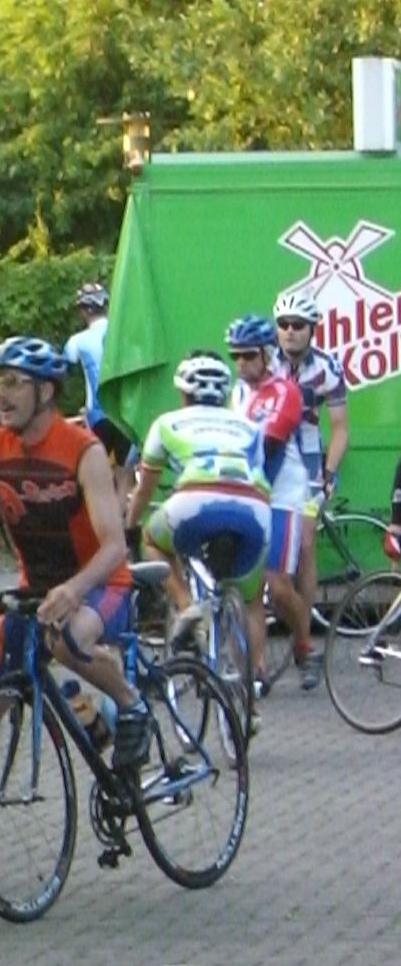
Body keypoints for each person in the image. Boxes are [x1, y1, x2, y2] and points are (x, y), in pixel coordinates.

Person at [0, 337, 142, 893]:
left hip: (99, 583)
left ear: (46, 391)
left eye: (14, 382)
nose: (1, 394)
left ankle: (131, 704)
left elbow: (114, 545)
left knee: (66, 638)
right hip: (34, 594)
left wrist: (75, 588)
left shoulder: (83, 450)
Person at [125, 353, 271, 663]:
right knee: (250, 599)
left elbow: (144, 490)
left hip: (194, 502)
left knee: (152, 539)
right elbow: (258, 475)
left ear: (183, 393)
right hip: (254, 508)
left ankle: (186, 604)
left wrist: (129, 525)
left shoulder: (166, 423)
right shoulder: (250, 427)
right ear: (225, 393)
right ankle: (254, 681)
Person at [270, 290, 347, 690]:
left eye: (298, 325)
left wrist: (329, 472)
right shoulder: (265, 363)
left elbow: (341, 429)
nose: (290, 332)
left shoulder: (327, 368)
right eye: (283, 325)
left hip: (310, 465)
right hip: (273, 462)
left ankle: (306, 647)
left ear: (312, 329)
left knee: (305, 547)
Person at [230, 313, 312, 690]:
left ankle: (304, 644)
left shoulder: (285, 390)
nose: (241, 363)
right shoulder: (238, 392)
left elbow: (272, 447)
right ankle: (258, 669)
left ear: (266, 354)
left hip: (282, 493)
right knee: (249, 587)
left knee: (277, 585)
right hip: (252, 491)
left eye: (249, 355)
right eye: (235, 356)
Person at [65, 282, 132, 492]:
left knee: (96, 472)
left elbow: (66, 370)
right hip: (125, 412)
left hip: (97, 414)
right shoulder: (123, 334)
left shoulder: (77, 341)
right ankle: (124, 511)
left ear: (84, 311)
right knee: (125, 472)